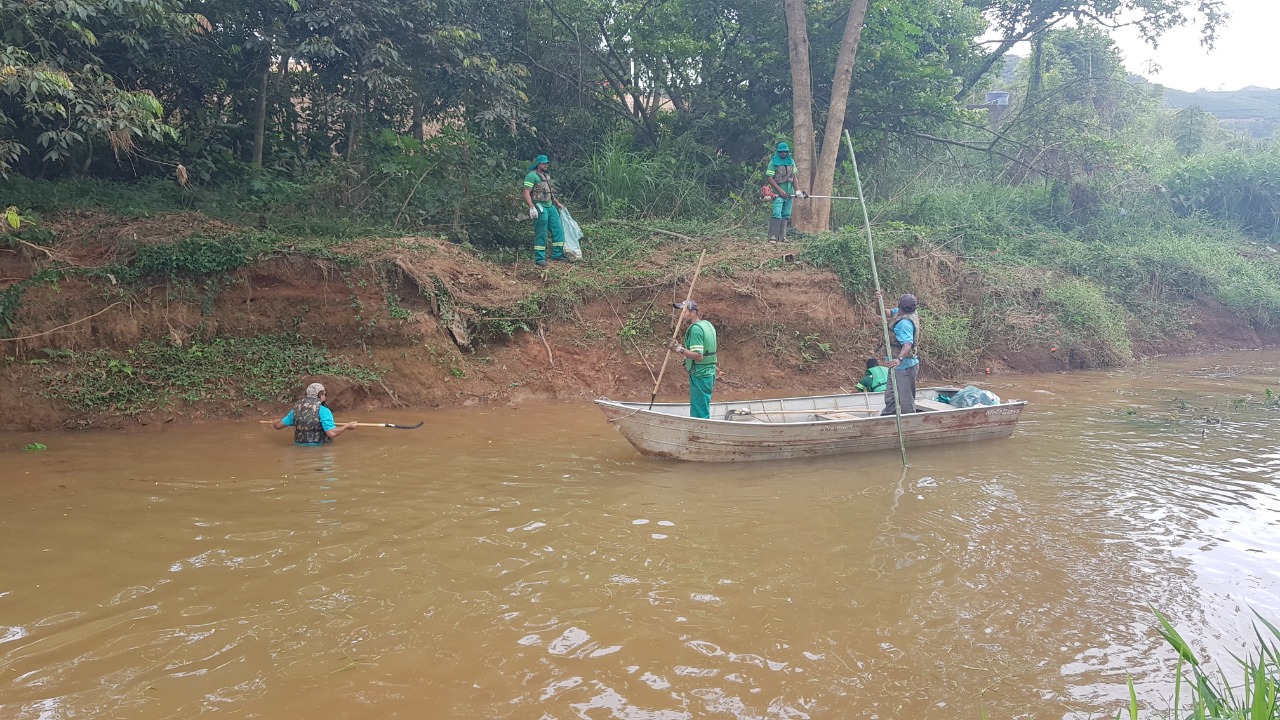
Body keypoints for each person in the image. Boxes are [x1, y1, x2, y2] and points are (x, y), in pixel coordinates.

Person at [668, 300, 717, 419]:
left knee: (699, 412)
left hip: (700, 375)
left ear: (693, 312)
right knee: (702, 406)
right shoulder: (707, 325)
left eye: (684, 312)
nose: (682, 315)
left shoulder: (696, 329)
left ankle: (701, 429)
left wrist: (678, 349)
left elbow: (698, 356)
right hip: (709, 373)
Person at [876, 292, 921, 416]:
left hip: (904, 367)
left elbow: (907, 344)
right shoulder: (899, 313)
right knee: (890, 397)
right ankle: (888, 417)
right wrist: (878, 301)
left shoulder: (904, 323)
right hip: (895, 366)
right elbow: (881, 312)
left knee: (906, 401)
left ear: (900, 305)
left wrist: (899, 359)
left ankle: (909, 421)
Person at [273, 382, 358, 445]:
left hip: (299, 448)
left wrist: (275, 422)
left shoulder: (296, 409)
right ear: (321, 395)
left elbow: (278, 426)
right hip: (320, 448)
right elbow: (331, 433)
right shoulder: (324, 411)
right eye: (324, 394)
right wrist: (347, 426)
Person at [522, 154, 567, 267]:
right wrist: (532, 207)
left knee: (558, 229)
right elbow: (526, 192)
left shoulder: (546, 176)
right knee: (541, 231)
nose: (546, 165)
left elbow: (549, 193)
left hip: (550, 206)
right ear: (538, 164)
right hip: (539, 206)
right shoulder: (531, 176)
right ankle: (539, 258)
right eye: (543, 163)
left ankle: (557, 254)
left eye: (547, 163)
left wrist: (557, 203)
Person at [765, 141, 807, 243]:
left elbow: (794, 177)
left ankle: (782, 237)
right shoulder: (773, 163)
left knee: (786, 214)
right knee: (777, 213)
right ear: (778, 152)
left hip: (789, 194)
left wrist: (797, 190)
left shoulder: (791, 162)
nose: (783, 153)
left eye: (785, 152)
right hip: (778, 194)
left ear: (787, 152)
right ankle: (773, 236)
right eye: (781, 152)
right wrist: (780, 191)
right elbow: (770, 178)